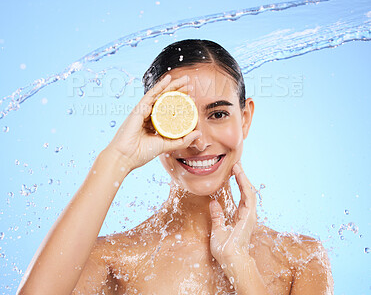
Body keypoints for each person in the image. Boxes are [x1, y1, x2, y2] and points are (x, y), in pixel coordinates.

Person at [17, 39, 334, 295]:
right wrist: (116, 159)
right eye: (180, 118)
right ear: (150, 124)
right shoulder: (112, 260)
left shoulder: (302, 259)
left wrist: (240, 265)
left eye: (218, 114)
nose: (198, 141)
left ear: (246, 118)